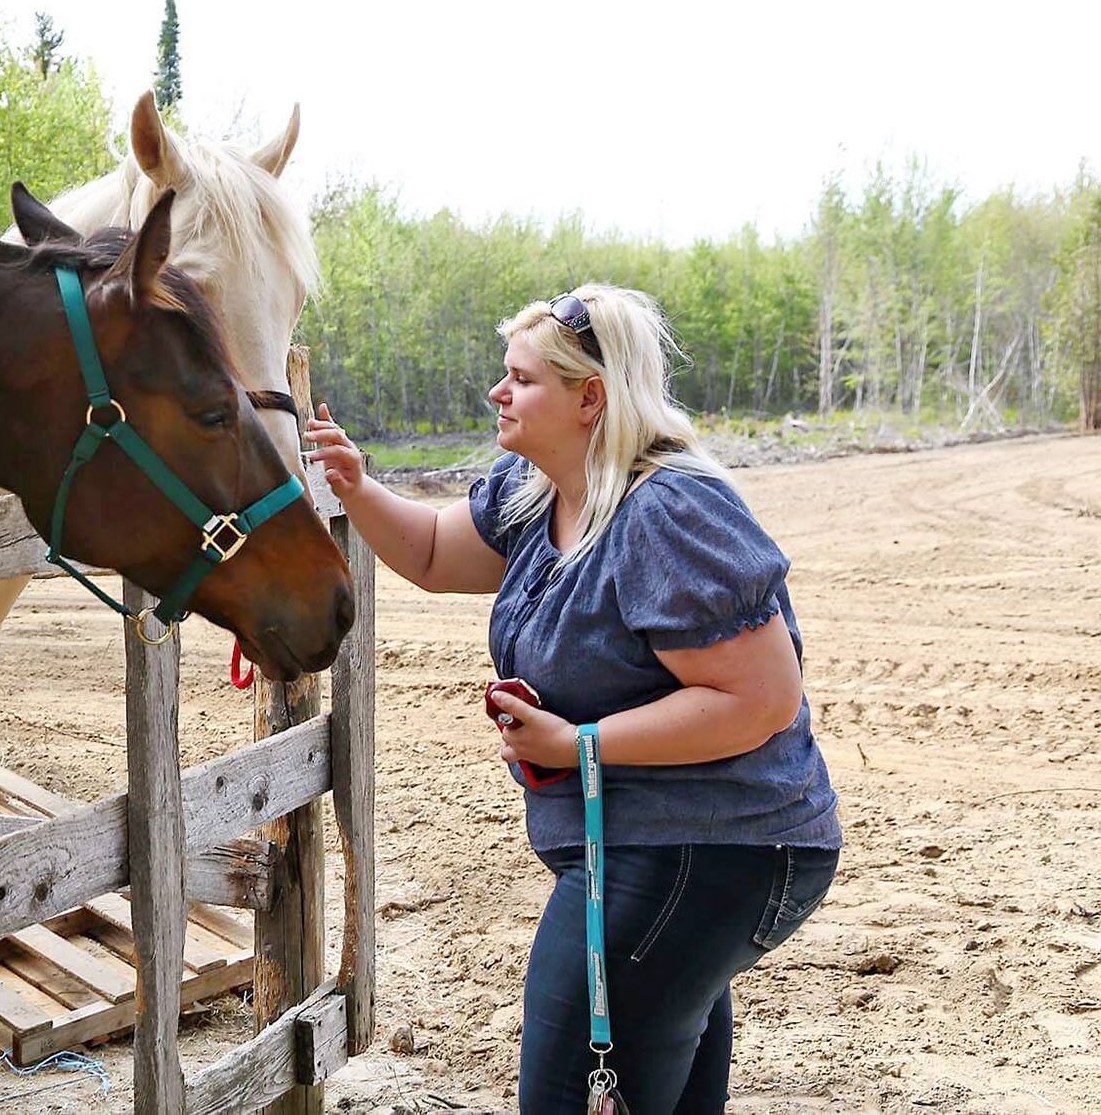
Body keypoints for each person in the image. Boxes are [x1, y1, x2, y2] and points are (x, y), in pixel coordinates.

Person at [307, 285, 839, 1114]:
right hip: (656, 849)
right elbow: (437, 553)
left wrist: (577, 742)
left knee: (566, 1093)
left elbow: (762, 698)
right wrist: (357, 485)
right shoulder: (537, 491)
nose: (498, 391)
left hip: (703, 848)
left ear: (590, 397)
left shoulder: (668, 510)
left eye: (522, 379)